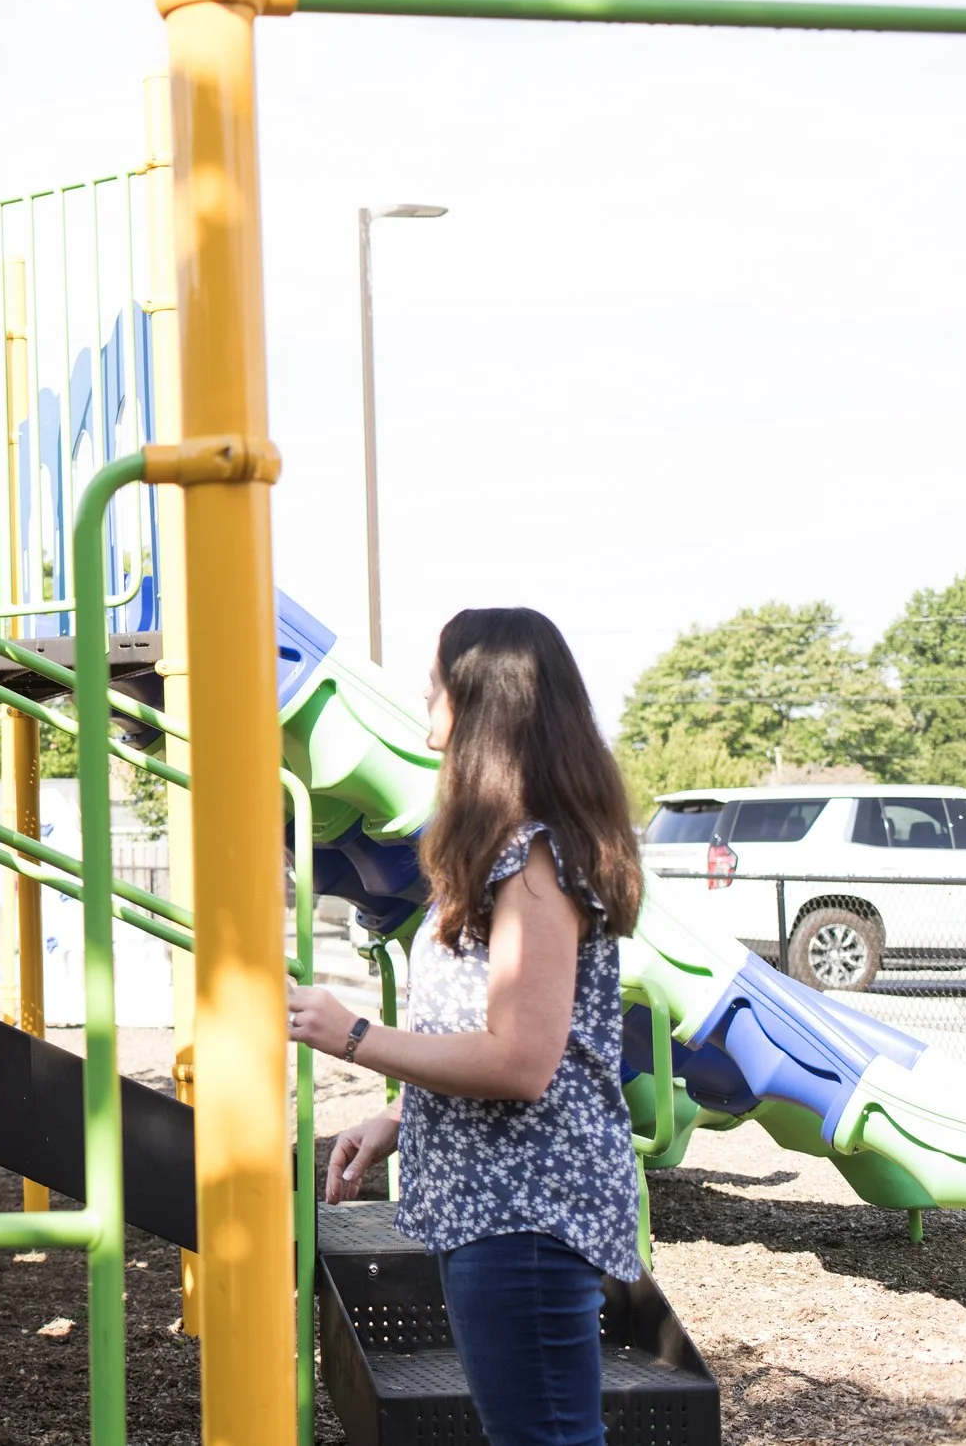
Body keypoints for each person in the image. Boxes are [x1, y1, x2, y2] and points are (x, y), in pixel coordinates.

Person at [288, 607, 644, 1446]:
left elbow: (523, 1061)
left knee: (546, 1436)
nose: (423, 702)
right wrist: (403, 1118)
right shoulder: (509, 855)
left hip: (524, 1215)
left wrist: (353, 1035)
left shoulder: (534, 863)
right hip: (496, 1206)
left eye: (437, 684)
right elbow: (499, 1036)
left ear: (486, 705)